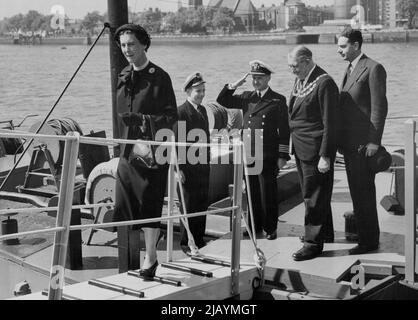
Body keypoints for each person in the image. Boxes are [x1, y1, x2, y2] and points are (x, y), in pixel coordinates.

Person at [112, 24, 177, 277]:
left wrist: (143, 121)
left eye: (132, 44)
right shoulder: (122, 75)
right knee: (125, 202)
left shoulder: (159, 77)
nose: (127, 49)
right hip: (128, 152)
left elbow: (171, 117)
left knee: (149, 203)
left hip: (150, 153)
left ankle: (150, 257)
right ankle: (134, 255)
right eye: (124, 45)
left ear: (144, 45)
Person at [217, 60, 290, 240]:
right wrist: (234, 85)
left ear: (268, 78)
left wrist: (282, 155)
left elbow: (285, 129)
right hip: (249, 153)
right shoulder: (248, 97)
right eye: (254, 78)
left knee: (268, 193)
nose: (256, 81)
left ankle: (270, 228)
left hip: (267, 154)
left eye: (260, 78)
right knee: (251, 192)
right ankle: (254, 225)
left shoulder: (278, 99)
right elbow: (222, 100)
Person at [337, 27, 388, 255]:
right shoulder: (349, 69)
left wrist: (374, 142)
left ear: (356, 45)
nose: (339, 50)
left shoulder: (373, 68)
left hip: (364, 146)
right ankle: (365, 236)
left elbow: (379, 107)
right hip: (350, 146)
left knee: (364, 193)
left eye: (343, 46)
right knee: (357, 193)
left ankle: (369, 241)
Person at [287, 46, 339, 261]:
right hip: (301, 147)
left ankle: (312, 244)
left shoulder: (324, 83)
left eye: (295, 66)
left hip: (316, 150)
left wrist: (325, 155)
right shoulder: (302, 80)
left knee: (313, 197)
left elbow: (331, 123)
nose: (292, 70)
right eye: (290, 66)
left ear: (307, 61)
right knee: (316, 193)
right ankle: (324, 233)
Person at [175, 72, 211, 255]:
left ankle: (198, 239)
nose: (202, 94)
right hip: (187, 169)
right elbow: (176, 144)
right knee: (188, 206)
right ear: (188, 91)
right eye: (198, 91)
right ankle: (186, 243)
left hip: (202, 166)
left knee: (201, 204)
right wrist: (177, 169)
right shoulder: (181, 113)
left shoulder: (202, 110)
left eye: (203, 90)